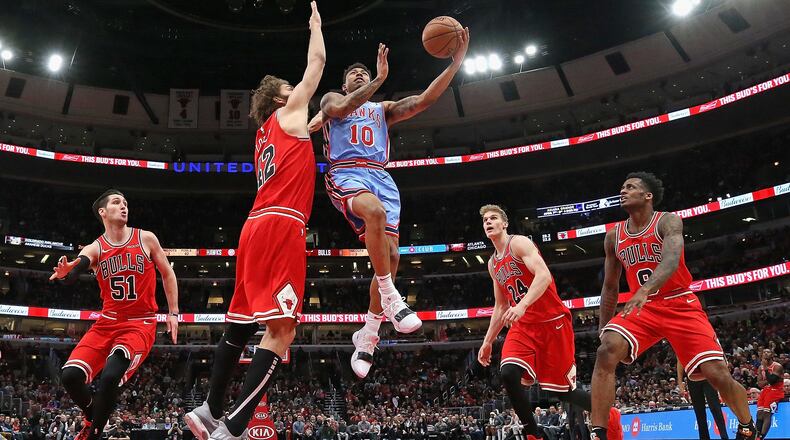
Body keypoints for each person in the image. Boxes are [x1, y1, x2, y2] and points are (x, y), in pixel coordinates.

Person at [183, 3, 325, 440]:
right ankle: (234, 427)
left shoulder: (267, 130)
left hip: (254, 226)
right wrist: (316, 27)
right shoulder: (291, 108)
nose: (299, 88)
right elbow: (317, 63)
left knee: (241, 323)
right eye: (292, 87)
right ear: (284, 97)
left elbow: (311, 126)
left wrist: (334, 114)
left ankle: (208, 409)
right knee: (281, 332)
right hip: (283, 225)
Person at [314, 27, 470, 378]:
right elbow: (341, 108)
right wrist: (379, 78)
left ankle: (368, 335)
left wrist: (455, 64)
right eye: (354, 74)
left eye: (364, 73)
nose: (360, 74)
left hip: (381, 176)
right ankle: (391, 297)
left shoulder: (382, 109)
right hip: (346, 172)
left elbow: (425, 100)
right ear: (344, 83)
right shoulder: (330, 101)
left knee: (393, 255)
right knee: (374, 213)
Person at [590, 172, 757, 440]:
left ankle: (749, 425)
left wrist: (645, 289)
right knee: (606, 350)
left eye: (630, 187)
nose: (623, 191)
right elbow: (610, 287)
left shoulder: (667, 221)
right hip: (642, 308)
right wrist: (603, 327)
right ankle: (598, 432)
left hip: (679, 302)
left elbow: (670, 258)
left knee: (717, 374)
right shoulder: (614, 236)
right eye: (621, 187)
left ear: (648, 196)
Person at [476, 205, 622, 440]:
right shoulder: (493, 264)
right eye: (485, 220)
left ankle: (608, 413)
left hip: (552, 323)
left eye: (493, 218)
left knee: (564, 393)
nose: (488, 222)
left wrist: (522, 305)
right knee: (508, 373)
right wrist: (487, 341)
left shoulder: (519, 243)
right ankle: (534, 434)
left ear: (504, 224)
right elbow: (501, 306)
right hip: (523, 327)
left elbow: (544, 275)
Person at [50, 189, 179, 440]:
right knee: (70, 375)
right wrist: (68, 272)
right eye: (117, 202)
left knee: (110, 376)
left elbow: (168, 273)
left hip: (139, 323)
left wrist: (173, 312)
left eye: (126, 203)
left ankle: (94, 432)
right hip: (107, 322)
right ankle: (91, 417)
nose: (124, 206)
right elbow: (80, 265)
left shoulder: (146, 238)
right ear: (103, 212)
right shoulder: (95, 247)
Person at [676, 357, 729, 439]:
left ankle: (724, 437)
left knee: (715, 408)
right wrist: (680, 382)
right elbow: (680, 360)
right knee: (699, 411)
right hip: (692, 378)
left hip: (708, 374)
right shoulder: (682, 345)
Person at [755, 349, 784, 440]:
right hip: (766, 390)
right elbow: (759, 384)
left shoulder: (777, 366)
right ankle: (756, 435)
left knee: (766, 413)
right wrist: (768, 380)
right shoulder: (760, 368)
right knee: (759, 413)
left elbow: (772, 381)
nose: (766, 353)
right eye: (764, 352)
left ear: (772, 354)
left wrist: (766, 369)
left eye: (768, 352)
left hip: (776, 390)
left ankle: (761, 437)